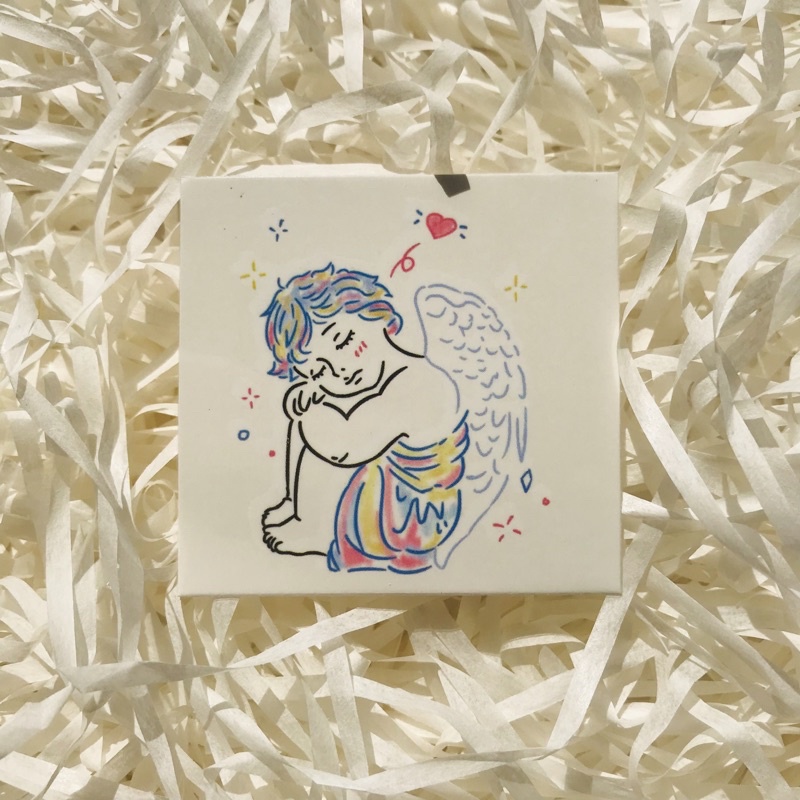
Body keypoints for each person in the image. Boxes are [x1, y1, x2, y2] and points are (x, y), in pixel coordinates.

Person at [260, 262, 468, 573]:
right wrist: (312, 396)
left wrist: (311, 409)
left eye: (343, 341)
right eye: (318, 370)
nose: (339, 369)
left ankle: (320, 533)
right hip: (387, 486)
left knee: (307, 421)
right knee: (304, 419)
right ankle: (295, 504)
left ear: (377, 315)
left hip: (413, 516)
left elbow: (345, 450)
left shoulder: (419, 383)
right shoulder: (377, 373)